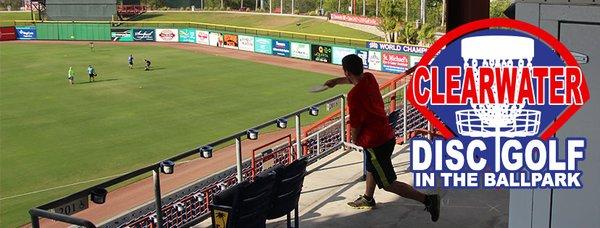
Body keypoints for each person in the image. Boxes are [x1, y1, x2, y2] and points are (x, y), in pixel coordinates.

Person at [323, 54, 440, 222]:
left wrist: (355, 139)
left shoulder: (354, 96)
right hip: (386, 134)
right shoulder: (369, 78)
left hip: (375, 142)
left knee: (388, 183)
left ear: (346, 71)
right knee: (372, 167)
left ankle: (428, 200)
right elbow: (354, 79)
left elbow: (355, 123)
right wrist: (336, 81)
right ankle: (368, 198)